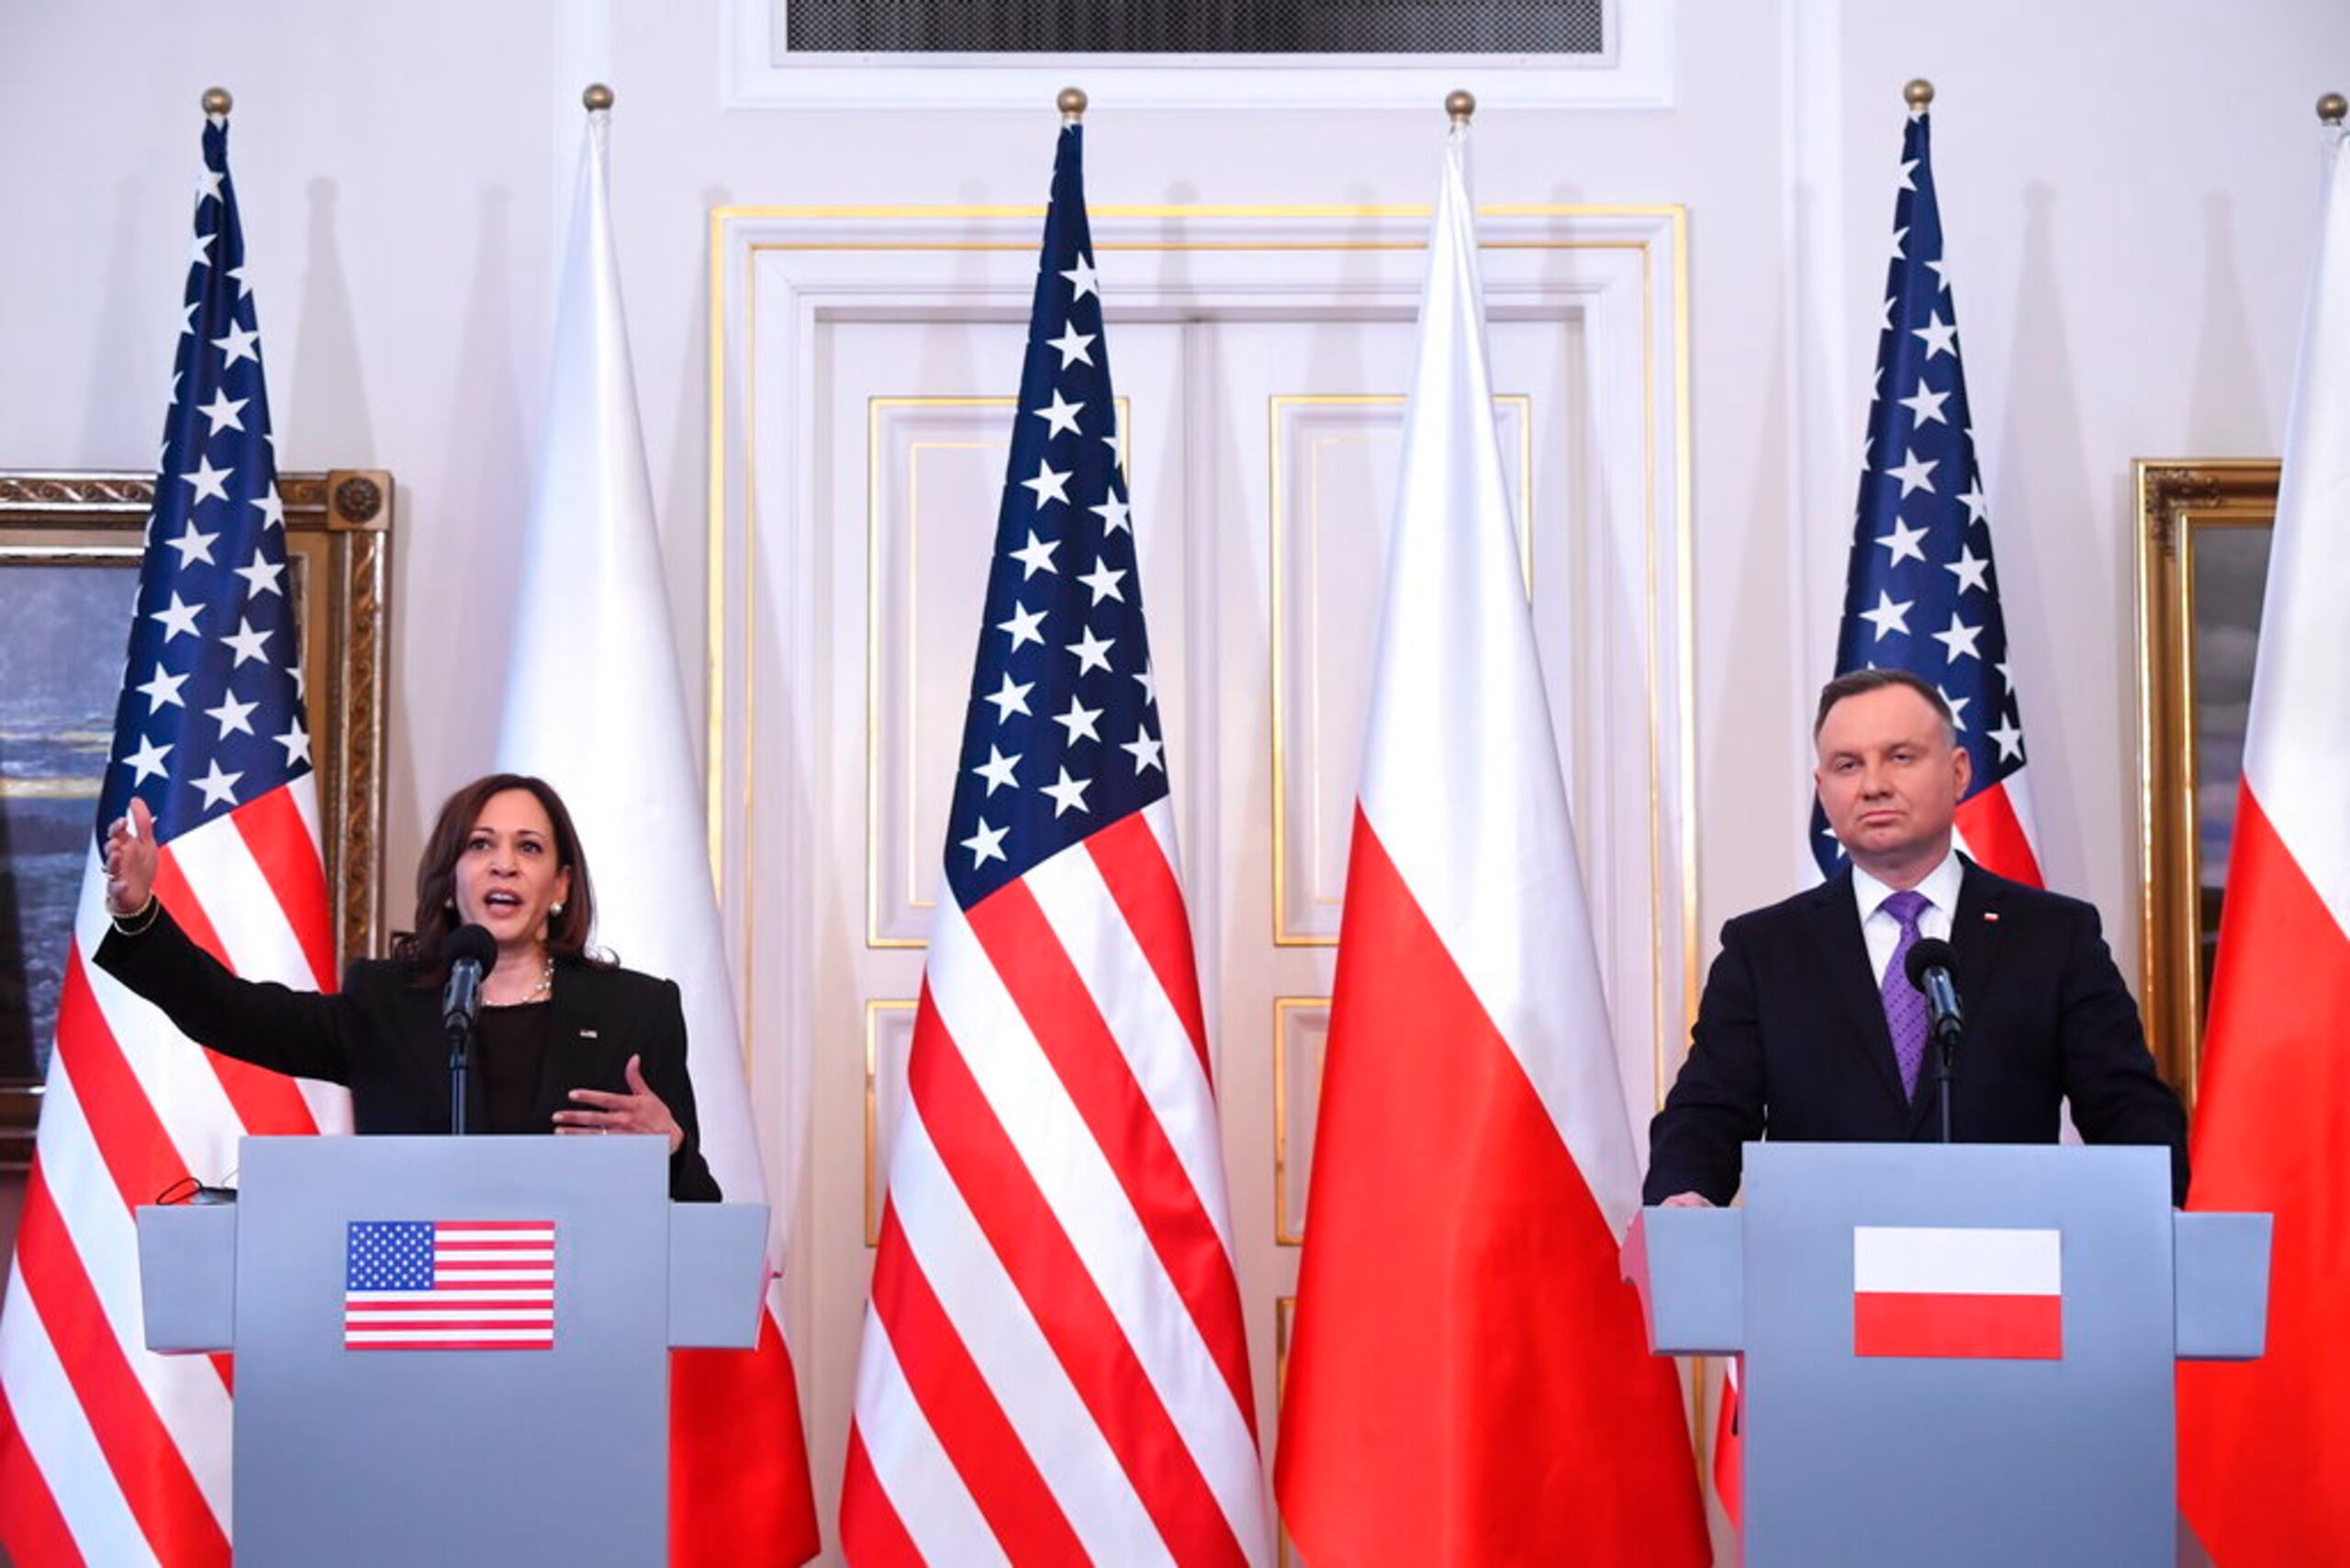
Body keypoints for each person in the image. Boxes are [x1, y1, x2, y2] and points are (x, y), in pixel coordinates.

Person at [1645, 668, 2188, 1208]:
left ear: (1957, 773)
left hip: (2005, 1274)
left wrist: (2159, 1206)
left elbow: (2126, 1109)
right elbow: (1706, 1113)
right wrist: (1684, 1193)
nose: (1874, 784)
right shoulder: (1764, 949)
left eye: (1900, 757)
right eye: (1847, 764)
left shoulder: (2053, 937)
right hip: (1820, 1273)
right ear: (1822, 788)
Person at [97, 772, 721, 1201]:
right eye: (481, 845)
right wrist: (139, 915)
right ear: (452, 879)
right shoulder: (387, 1003)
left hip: (584, 1323)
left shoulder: (637, 1011)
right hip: (415, 1321)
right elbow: (232, 1013)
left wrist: (670, 1148)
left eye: (528, 847)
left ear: (559, 886)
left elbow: (697, 1213)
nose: (504, 863)